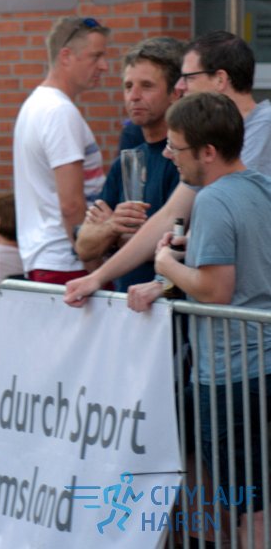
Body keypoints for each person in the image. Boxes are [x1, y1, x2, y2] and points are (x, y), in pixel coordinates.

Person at [127, 91, 271, 542]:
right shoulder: (262, 186)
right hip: (261, 365)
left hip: (232, 374)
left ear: (208, 152)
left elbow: (215, 289)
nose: (168, 155)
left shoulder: (211, 200)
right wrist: (177, 271)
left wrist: (164, 265)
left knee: (249, 508)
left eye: (177, 147)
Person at [65, 31, 271, 308]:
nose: (180, 87)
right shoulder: (211, 141)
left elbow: (226, 229)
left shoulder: (262, 132)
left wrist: (165, 274)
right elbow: (170, 215)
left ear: (220, 79)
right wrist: (98, 277)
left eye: (189, 77)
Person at [74, 37, 184, 291]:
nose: (134, 96)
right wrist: (113, 226)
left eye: (147, 86)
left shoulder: (183, 158)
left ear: (175, 93)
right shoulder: (127, 161)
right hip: (127, 305)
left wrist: (113, 239)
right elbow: (84, 247)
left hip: (169, 303)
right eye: (128, 86)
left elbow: (175, 245)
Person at [14, 16, 107, 285]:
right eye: (96, 56)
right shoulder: (59, 112)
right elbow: (71, 204)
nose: (104, 66)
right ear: (66, 56)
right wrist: (94, 267)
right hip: (67, 262)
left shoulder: (36, 104)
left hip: (48, 257)